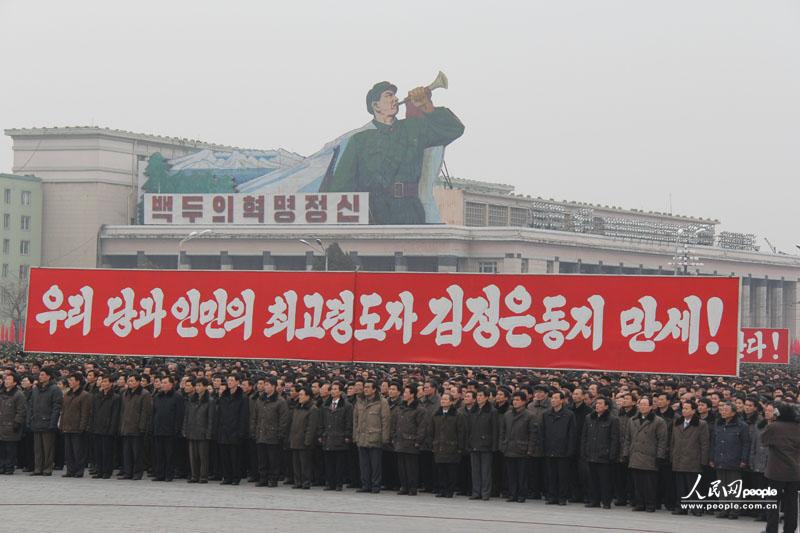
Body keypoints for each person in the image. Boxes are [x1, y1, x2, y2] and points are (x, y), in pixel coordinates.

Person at [320, 81, 465, 224]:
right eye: (388, 96)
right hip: (372, 215)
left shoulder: (413, 128)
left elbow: (454, 129)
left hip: (409, 212)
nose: (395, 99)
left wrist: (427, 107)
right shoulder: (359, 141)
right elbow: (340, 187)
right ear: (376, 105)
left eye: (395, 96)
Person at [761, 402, 799, 533]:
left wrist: (770, 423)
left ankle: (771, 529)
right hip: (794, 471)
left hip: (776, 471)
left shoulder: (774, 427)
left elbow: (764, 441)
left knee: (772, 503)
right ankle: (790, 529)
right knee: (792, 504)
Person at [623, 396, 667, 513]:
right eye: (640, 404)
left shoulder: (658, 421)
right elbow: (627, 438)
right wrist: (626, 453)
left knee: (649, 483)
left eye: (644, 404)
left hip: (650, 456)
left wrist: (660, 456)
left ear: (651, 406)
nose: (642, 407)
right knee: (637, 482)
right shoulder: (632, 420)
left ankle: (650, 504)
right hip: (635, 455)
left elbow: (662, 440)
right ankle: (639, 503)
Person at [709, 401, 750, 519]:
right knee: (722, 486)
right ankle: (724, 509)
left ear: (733, 413)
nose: (723, 412)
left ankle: (734, 511)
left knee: (734, 487)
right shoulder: (719, 424)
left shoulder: (742, 426)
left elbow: (746, 444)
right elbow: (713, 442)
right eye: (722, 410)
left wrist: (744, 459)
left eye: (726, 410)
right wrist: (712, 457)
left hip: (734, 459)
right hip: (720, 459)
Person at [670, 399, 709, 516]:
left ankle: (695, 507)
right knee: (680, 485)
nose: (684, 410)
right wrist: (672, 456)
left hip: (693, 459)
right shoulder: (677, 422)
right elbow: (672, 441)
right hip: (679, 457)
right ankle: (681, 507)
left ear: (693, 410)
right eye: (683, 408)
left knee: (693, 485)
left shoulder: (701, 424)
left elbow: (704, 443)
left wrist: (703, 460)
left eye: (687, 408)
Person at [581, 396, 620, 509]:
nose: (597, 405)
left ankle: (606, 501)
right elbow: (584, 436)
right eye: (596, 403)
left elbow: (614, 439)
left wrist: (611, 454)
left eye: (600, 403)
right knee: (592, 480)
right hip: (591, 453)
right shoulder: (589, 418)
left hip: (604, 455)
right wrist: (584, 450)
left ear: (606, 406)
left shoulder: (613, 420)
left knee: (605, 480)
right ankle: (594, 500)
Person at [353, 380, 390, 493]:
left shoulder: (382, 402)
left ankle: (375, 485)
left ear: (374, 389)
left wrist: (385, 437)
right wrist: (355, 436)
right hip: (362, 437)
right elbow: (355, 420)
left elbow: (386, 420)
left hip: (375, 437)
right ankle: (365, 485)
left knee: (376, 465)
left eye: (368, 387)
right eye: (365, 387)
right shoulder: (359, 402)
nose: (365, 389)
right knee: (364, 464)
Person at [499, 391, 536, 503]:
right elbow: (503, 431)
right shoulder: (508, 414)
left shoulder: (530, 415)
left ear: (524, 401)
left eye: (518, 400)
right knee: (511, 474)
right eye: (514, 400)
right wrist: (503, 445)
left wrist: (530, 449)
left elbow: (533, 434)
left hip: (522, 449)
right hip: (509, 448)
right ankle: (512, 494)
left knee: (522, 475)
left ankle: (521, 494)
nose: (515, 402)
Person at [252, 377, 289, 487]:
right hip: (261, 433)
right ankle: (263, 478)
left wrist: (280, 434)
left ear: (273, 386)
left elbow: (284, 419)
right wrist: (254, 430)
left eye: (267, 385)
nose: (265, 387)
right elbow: (255, 417)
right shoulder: (260, 399)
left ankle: (273, 479)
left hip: (273, 435)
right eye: (265, 385)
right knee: (262, 458)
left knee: (273, 459)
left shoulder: (280, 401)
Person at [392, 383, 426, 495]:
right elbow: (395, 423)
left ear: (412, 394)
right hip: (400, 440)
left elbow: (422, 427)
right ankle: (404, 486)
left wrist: (418, 441)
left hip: (411, 441)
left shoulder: (419, 409)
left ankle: (412, 487)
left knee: (411, 467)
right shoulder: (401, 407)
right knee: (401, 466)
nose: (404, 395)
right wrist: (394, 436)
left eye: (406, 393)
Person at [543, 390, 576, 505]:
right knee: (551, 475)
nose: (553, 400)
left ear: (562, 400)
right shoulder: (546, 414)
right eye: (552, 398)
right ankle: (552, 496)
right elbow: (543, 432)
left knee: (563, 476)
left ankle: (562, 497)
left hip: (563, 450)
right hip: (549, 449)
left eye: (556, 398)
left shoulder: (569, 415)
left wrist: (570, 450)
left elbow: (572, 434)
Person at [215, 373, 249, 486]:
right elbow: (219, 414)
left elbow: (244, 416)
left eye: (231, 380)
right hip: (223, 430)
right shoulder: (223, 396)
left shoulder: (242, 398)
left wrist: (241, 432)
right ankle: (227, 477)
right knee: (224, 456)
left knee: (235, 456)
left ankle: (236, 477)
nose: (229, 382)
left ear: (237, 382)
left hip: (235, 431)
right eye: (228, 380)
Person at [431, 392, 465, 498]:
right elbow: (432, 431)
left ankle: (450, 490)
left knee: (451, 471)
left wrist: (460, 447)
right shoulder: (436, 414)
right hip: (439, 446)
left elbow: (461, 432)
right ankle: (442, 489)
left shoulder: (457, 415)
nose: (443, 401)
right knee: (441, 470)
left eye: (446, 399)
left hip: (452, 446)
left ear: (451, 402)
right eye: (442, 399)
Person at [466, 387, 498, 500]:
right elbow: (468, 428)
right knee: (475, 470)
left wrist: (494, 446)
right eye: (477, 396)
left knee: (486, 471)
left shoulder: (492, 411)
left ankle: (485, 492)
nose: (478, 398)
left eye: (481, 396)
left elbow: (495, 430)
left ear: (486, 397)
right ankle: (476, 492)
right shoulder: (472, 410)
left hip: (486, 444)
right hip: (474, 443)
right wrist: (468, 442)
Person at [29, 368, 62, 476]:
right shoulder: (35, 389)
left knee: (48, 447)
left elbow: (56, 407)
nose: (40, 377)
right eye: (40, 375)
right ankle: (38, 467)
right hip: (36, 421)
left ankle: (47, 468)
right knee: (37, 448)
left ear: (48, 376)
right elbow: (31, 405)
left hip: (47, 422)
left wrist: (53, 422)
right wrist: (30, 418)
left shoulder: (55, 389)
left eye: (43, 375)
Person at [320, 381, 352, 491]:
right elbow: (322, 422)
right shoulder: (325, 405)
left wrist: (347, 435)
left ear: (340, 391)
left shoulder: (346, 406)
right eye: (332, 389)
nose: (333, 391)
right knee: (329, 463)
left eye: (335, 389)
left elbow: (348, 422)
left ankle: (338, 483)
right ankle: (330, 483)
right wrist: (321, 434)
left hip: (340, 437)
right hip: (328, 437)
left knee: (339, 463)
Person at [119, 373, 152, 480]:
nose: (130, 382)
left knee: (137, 453)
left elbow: (145, 412)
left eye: (132, 381)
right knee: (126, 452)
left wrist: (142, 427)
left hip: (137, 428)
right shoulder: (125, 393)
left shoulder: (144, 394)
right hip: (126, 426)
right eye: (129, 380)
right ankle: (128, 472)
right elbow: (122, 411)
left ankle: (137, 473)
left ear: (138, 382)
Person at [59, 372, 92, 478]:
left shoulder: (84, 395)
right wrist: (62, 424)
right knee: (68, 451)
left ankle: (79, 470)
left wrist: (82, 427)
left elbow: (85, 413)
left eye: (72, 380)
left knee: (78, 451)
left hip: (77, 427)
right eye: (69, 380)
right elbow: (63, 411)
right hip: (67, 426)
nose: (70, 382)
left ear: (78, 381)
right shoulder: (67, 394)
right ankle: (70, 470)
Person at [151, 375, 184, 482]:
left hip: (171, 431)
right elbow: (154, 413)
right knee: (158, 454)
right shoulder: (157, 396)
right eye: (162, 382)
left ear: (171, 384)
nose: (163, 385)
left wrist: (176, 429)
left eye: (165, 383)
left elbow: (179, 415)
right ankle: (159, 474)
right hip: (158, 429)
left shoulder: (177, 397)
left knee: (169, 455)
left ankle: (169, 474)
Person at [89, 374, 121, 479]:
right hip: (97, 427)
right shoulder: (97, 396)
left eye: (106, 381)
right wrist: (92, 426)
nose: (103, 383)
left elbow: (115, 415)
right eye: (102, 381)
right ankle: (99, 470)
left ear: (111, 383)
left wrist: (112, 429)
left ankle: (107, 471)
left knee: (107, 451)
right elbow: (93, 413)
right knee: (98, 451)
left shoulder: (116, 398)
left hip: (108, 429)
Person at [183, 377, 214, 484]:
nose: (197, 388)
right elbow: (186, 416)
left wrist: (209, 433)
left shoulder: (210, 401)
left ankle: (203, 476)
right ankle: (194, 475)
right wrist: (185, 429)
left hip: (203, 431)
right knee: (193, 456)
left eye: (200, 385)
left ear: (205, 387)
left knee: (203, 456)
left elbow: (211, 419)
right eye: (196, 385)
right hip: (192, 430)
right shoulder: (191, 399)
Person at [288, 387, 319, 489]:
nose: (299, 396)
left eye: (301, 394)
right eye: (299, 394)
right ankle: (298, 481)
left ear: (308, 396)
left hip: (304, 440)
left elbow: (311, 427)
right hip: (295, 439)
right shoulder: (297, 407)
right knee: (296, 463)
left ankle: (306, 481)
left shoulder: (312, 409)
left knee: (305, 463)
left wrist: (307, 441)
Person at [0, 372, 27, 474]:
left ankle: (9, 467)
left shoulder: (18, 394)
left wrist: (17, 422)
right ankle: (1, 467)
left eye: (9, 379)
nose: (6, 381)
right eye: (5, 379)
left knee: (10, 449)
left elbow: (21, 411)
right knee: (1, 449)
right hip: (1, 426)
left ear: (15, 382)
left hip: (12, 426)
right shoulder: (1, 392)